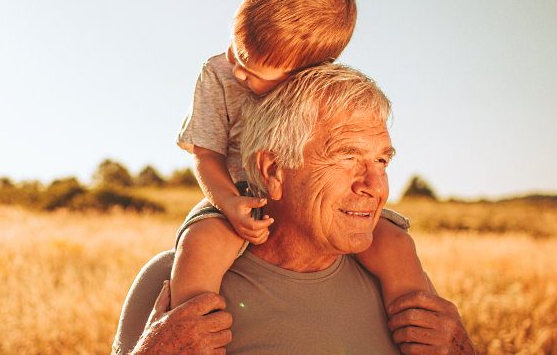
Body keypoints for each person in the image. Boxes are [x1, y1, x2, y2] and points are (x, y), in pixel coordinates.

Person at [114, 64, 475, 354]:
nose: (376, 186)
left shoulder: (398, 283)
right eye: (347, 157)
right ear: (273, 171)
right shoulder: (170, 284)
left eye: (381, 160)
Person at [171, 0, 432, 316]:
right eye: (237, 51)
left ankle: (422, 323)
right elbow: (205, 153)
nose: (238, 73)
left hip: (300, 194)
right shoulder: (216, 75)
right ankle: (190, 323)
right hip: (236, 193)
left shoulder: (315, 85)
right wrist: (228, 203)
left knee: (394, 242)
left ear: (306, 68)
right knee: (203, 242)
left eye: (255, 71)